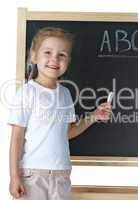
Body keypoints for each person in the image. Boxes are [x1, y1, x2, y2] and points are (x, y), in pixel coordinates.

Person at [8, 27, 112, 200]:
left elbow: (67, 132)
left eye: (62, 55)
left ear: (68, 61)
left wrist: (94, 116)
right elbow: (16, 139)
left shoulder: (65, 94)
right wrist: (14, 177)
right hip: (32, 175)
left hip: (62, 173)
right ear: (34, 56)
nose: (54, 59)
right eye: (47, 52)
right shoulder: (27, 93)